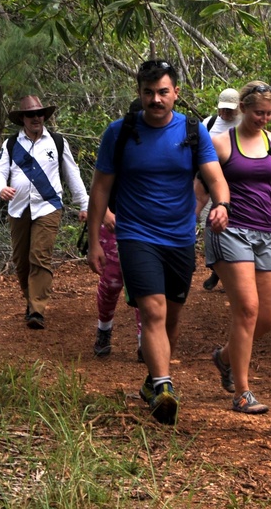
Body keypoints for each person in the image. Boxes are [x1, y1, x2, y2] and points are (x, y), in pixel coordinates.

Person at [86, 60, 231, 426]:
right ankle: (165, 386)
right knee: (152, 311)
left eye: (163, 92)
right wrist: (94, 242)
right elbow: (101, 188)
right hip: (136, 235)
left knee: (171, 316)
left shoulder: (193, 131)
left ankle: (152, 380)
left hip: (179, 238)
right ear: (139, 93)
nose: (155, 99)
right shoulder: (118, 133)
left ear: (175, 93)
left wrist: (222, 205)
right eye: (148, 93)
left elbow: (215, 177)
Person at [205, 81, 271, 414]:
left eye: (268, 114)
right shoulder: (220, 144)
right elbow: (199, 187)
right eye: (257, 113)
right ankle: (242, 391)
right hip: (230, 231)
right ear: (242, 109)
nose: (263, 119)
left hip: (267, 234)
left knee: (268, 317)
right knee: (247, 309)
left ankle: (223, 358)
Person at [0, 94, 89, 330]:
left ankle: (37, 310)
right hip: (18, 208)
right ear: (22, 118)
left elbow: (73, 174)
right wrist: (0, 189)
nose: (36, 118)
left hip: (48, 206)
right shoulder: (11, 145)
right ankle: (30, 299)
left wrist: (83, 204)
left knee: (39, 256)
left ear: (44, 115)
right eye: (31, 114)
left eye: (39, 113)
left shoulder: (57, 142)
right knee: (21, 261)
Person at [92, 100, 143, 360]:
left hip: (146, 226)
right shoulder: (117, 141)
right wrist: (106, 214)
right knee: (112, 282)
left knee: (144, 283)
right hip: (114, 223)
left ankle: (144, 340)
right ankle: (104, 329)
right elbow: (100, 185)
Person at [198, 87, 242, 291]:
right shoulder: (209, 123)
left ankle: (225, 273)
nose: (226, 113)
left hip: (236, 184)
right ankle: (216, 268)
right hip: (209, 183)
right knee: (211, 227)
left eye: (230, 109)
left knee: (232, 227)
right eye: (223, 109)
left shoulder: (243, 123)